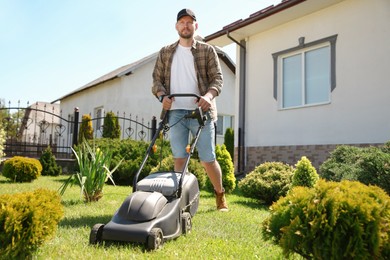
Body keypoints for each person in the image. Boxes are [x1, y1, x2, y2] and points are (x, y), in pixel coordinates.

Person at [151, 8, 228, 212]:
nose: (185, 25)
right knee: (179, 158)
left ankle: (220, 194)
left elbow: (217, 80)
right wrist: (162, 97)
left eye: (189, 22)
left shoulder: (207, 50)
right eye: (182, 22)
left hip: (201, 113)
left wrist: (208, 97)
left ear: (196, 26)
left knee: (207, 159)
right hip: (175, 113)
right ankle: (179, 199)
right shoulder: (166, 52)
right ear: (176, 26)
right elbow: (156, 81)